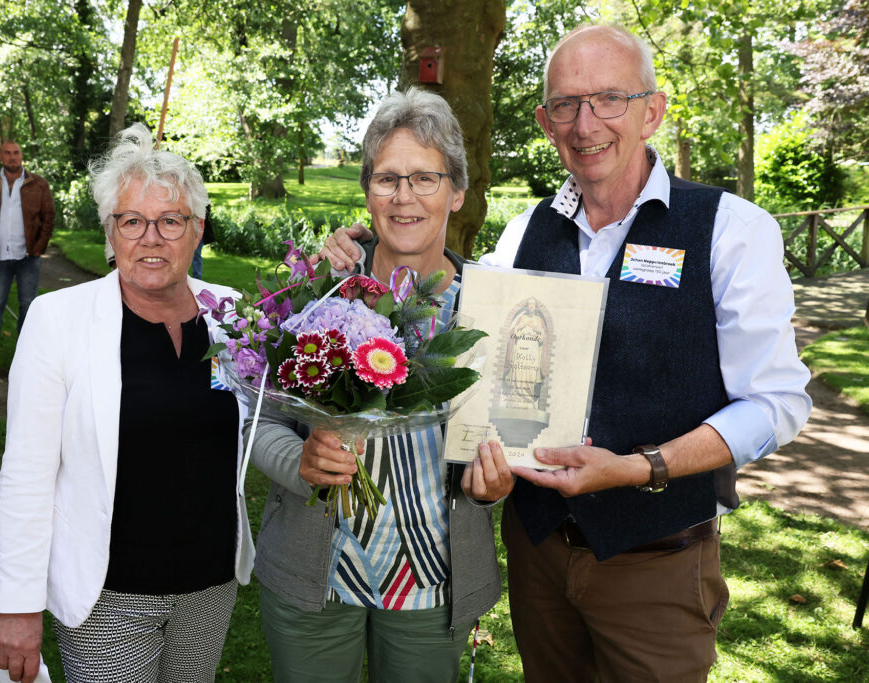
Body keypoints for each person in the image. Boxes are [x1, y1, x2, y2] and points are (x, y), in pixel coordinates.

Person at [321, 24, 812, 681]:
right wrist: (355, 261)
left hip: (656, 561)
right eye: (565, 105)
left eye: (608, 97)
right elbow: (442, 312)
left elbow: (776, 403)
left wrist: (641, 466)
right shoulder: (524, 234)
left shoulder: (731, 229)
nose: (586, 124)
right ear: (545, 122)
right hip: (538, 557)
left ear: (653, 110)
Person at [245, 87, 511, 683]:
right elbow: (257, 418)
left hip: (432, 580)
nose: (404, 197)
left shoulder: (494, 309)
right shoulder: (319, 293)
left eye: (425, 178)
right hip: (317, 574)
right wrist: (302, 462)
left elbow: (518, 429)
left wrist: (494, 485)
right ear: (367, 192)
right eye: (387, 179)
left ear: (458, 192)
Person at [0, 123, 255, 682]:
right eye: (131, 221)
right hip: (108, 594)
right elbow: (27, 472)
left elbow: (267, 425)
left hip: (209, 586)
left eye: (170, 221)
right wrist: (16, 602)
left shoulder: (233, 315)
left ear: (197, 230)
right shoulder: (58, 320)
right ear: (111, 233)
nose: (150, 238)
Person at [0, 140, 55, 364]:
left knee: (28, 304)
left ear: (21, 155)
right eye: (7, 153)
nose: (12, 157)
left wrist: (39, 248)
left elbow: (48, 216)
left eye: (16, 153)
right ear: (1, 156)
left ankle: (26, 351)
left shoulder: (38, 184)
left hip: (27, 256)